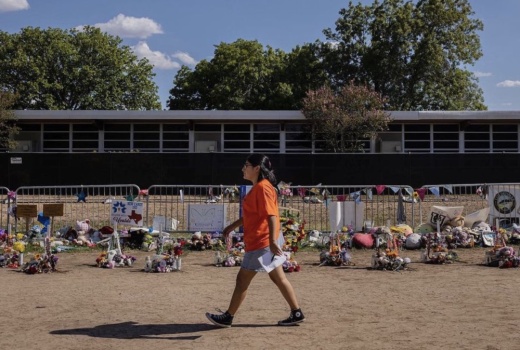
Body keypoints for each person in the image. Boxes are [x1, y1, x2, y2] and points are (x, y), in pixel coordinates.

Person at [205, 153, 305, 327]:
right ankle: (296, 312)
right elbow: (251, 216)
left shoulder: (263, 188)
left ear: (257, 168)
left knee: (242, 280)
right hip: (263, 242)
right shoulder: (260, 187)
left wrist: (273, 242)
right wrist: (231, 227)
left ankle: (228, 317)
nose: (243, 168)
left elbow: (272, 216)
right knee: (278, 279)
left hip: (261, 242)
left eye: (246, 165)